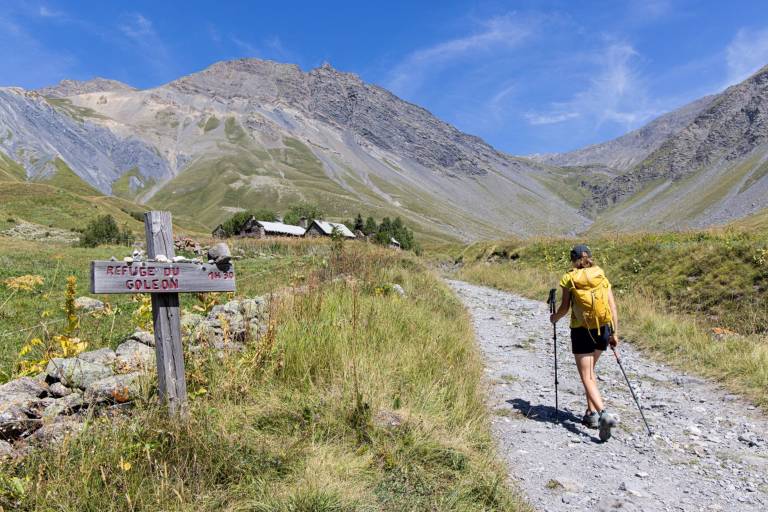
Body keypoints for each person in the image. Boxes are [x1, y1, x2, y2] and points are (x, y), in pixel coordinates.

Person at [550, 244, 620, 441]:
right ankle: (591, 415)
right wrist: (615, 333)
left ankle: (603, 414)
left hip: (581, 331)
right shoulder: (601, 275)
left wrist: (554, 318)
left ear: (573, 259)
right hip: (603, 329)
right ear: (590, 257)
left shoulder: (569, 278)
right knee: (591, 372)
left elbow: (564, 308)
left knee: (587, 376)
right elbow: (612, 307)